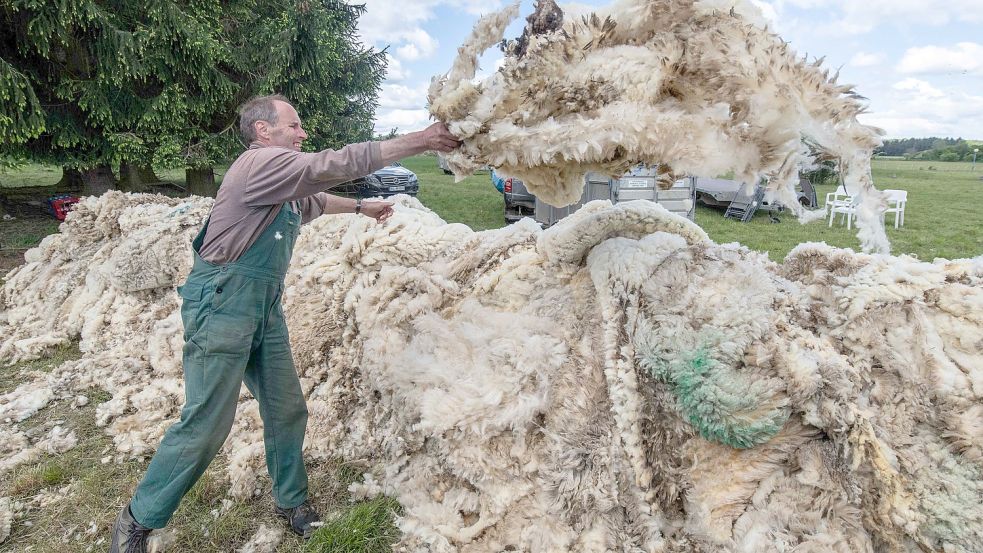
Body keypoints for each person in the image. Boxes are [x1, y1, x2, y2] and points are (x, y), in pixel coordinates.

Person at [110, 94, 459, 552]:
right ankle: (139, 518)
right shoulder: (259, 165)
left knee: (286, 407)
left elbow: (312, 201)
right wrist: (421, 140)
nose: (302, 133)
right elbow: (331, 165)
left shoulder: (279, 182)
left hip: (263, 308)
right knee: (207, 423)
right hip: (223, 304)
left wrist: (361, 208)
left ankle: (290, 500)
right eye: (294, 126)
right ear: (263, 131)